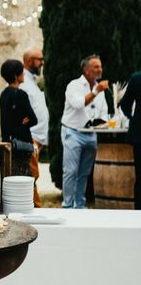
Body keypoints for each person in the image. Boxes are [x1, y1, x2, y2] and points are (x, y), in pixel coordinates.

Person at [60, 54, 109, 209]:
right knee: (71, 171)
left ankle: (79, 206)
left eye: (100, 66)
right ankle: (67, 206)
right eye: (96, 66)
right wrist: (95, 92)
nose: (100, 69)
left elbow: (104, 112)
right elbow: (79, 104)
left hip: (91, 134)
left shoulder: (99, 88)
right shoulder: (73, 85)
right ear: (86, 69)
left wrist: (102, 122)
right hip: (72, 132)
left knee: (84, 173)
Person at [20, 48, 49, 207]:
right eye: (40, 59)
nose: (42, 62)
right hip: (31, 136)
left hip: (38, 137)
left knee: (33, 175)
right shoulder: (23, 81)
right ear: (30, 61)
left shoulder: (31, 81)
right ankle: (35, 207)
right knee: (32, 175)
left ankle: (34, 206)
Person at [0, 59, 38, 176]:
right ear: (16, 76)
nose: (24, 74)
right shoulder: (20, 94)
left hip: (8, 143)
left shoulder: (4, 94)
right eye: (22, 72)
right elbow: (33, 119)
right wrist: (23, 122)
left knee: (11, 178)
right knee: (24, 179)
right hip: (21, 145)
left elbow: (8, 120)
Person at [119, 70, 141, 209]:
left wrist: (133, 119)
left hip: (139, 134)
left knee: (139, 176)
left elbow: (125, 104)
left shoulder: (136, 78)